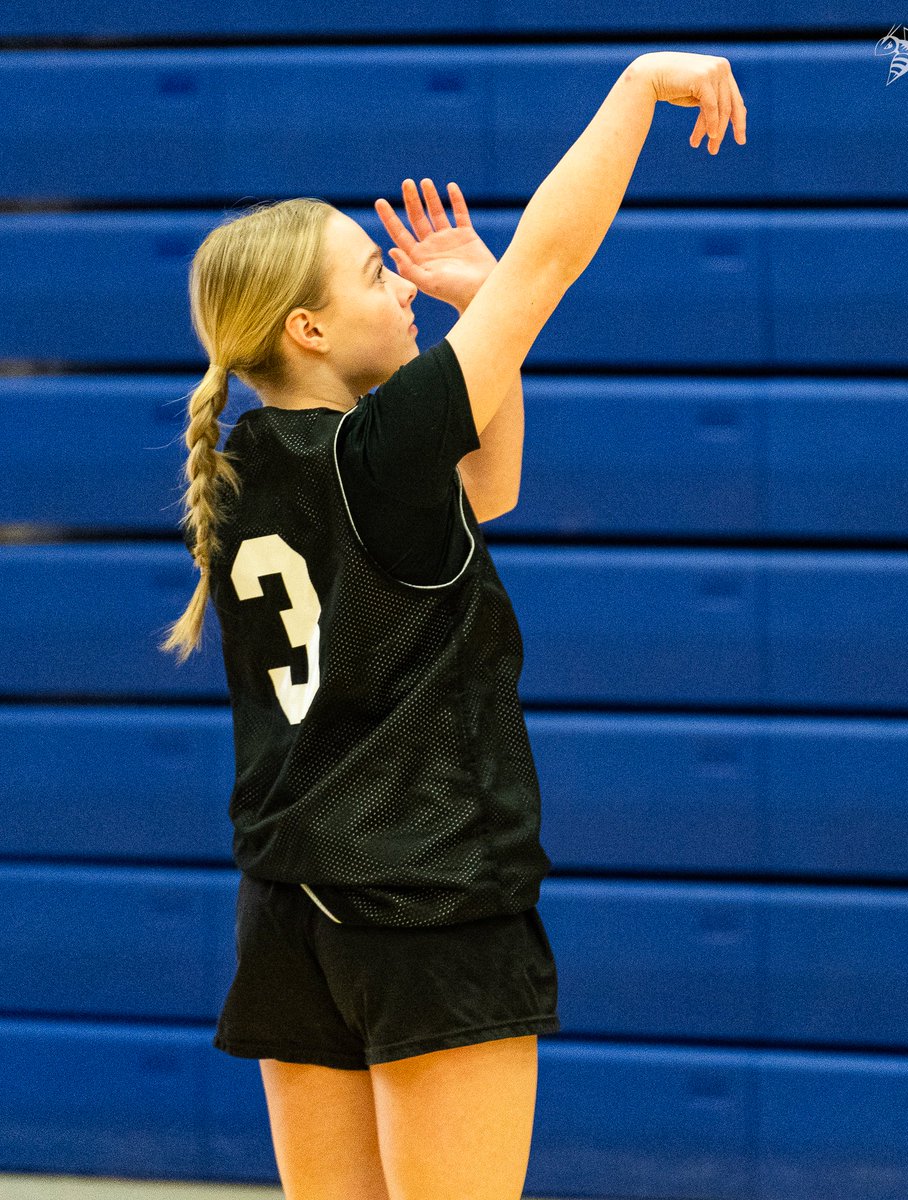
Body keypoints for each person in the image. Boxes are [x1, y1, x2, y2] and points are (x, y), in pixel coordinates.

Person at [160, 48, 746, 1200]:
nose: (404, 289)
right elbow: (553, 258)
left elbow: (488, 493)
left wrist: (483, 319)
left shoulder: (238, 473)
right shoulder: (375, 458)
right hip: (424, 906)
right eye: (378, 275)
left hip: (291, 918)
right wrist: (635, 88)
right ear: (307, 332)